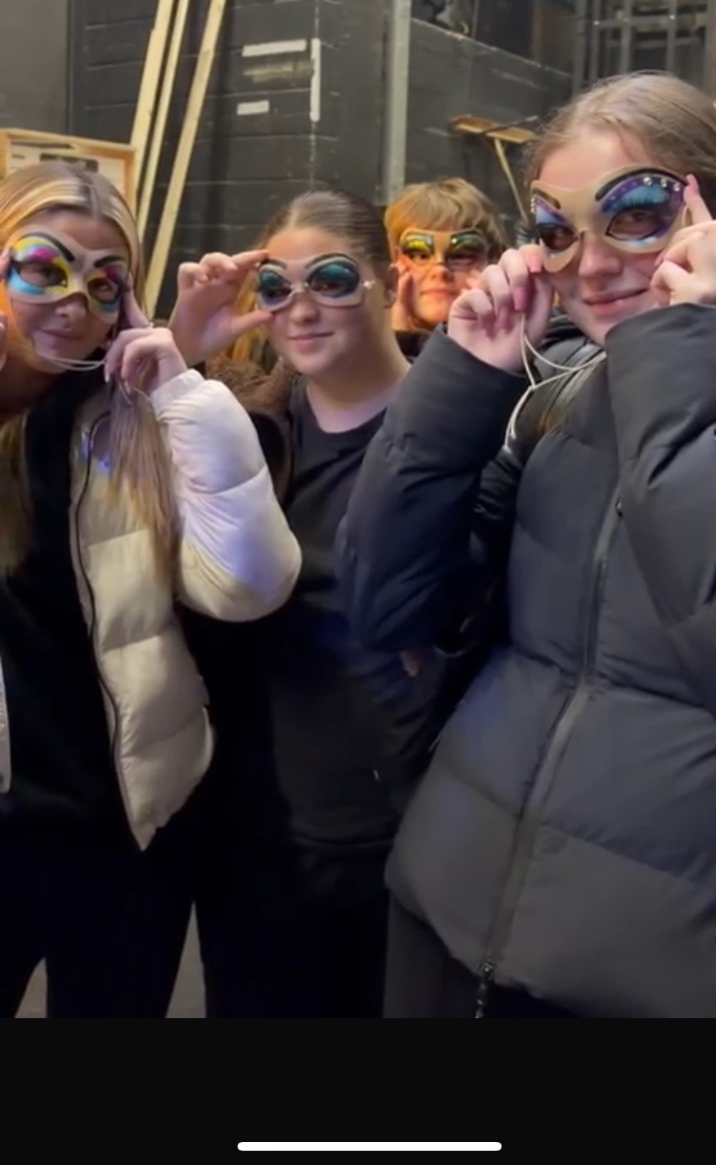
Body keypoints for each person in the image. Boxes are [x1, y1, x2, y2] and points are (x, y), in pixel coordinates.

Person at [338, 72, 716, 1019]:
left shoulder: (657, 392)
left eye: (634, 215)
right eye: (557, 230)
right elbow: (387, 606)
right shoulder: (554, 399)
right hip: (445, 918)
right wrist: (460, 382)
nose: (588, 266)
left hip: (652, 979)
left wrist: (677, 360)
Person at [0, 161, 300, 1018]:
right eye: (43, 268)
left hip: (128, 832)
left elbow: (246, 586)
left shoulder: (136, 417)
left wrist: (182, 389)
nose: (74, 303)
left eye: (104, 283)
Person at [168, 189, 455, 1017]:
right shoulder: (250, 434)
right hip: (254, 835)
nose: (299, 309)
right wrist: (183, 352)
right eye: (276, 288)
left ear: (386, 279)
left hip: (399, 836)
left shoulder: (452, 431)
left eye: (330, 279)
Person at [385, 176, 504, 341]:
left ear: (492, 261)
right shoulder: (356, 347)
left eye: (461, 255)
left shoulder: (523, 347)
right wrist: (399, 339)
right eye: (420, 255)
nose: (440, 270)